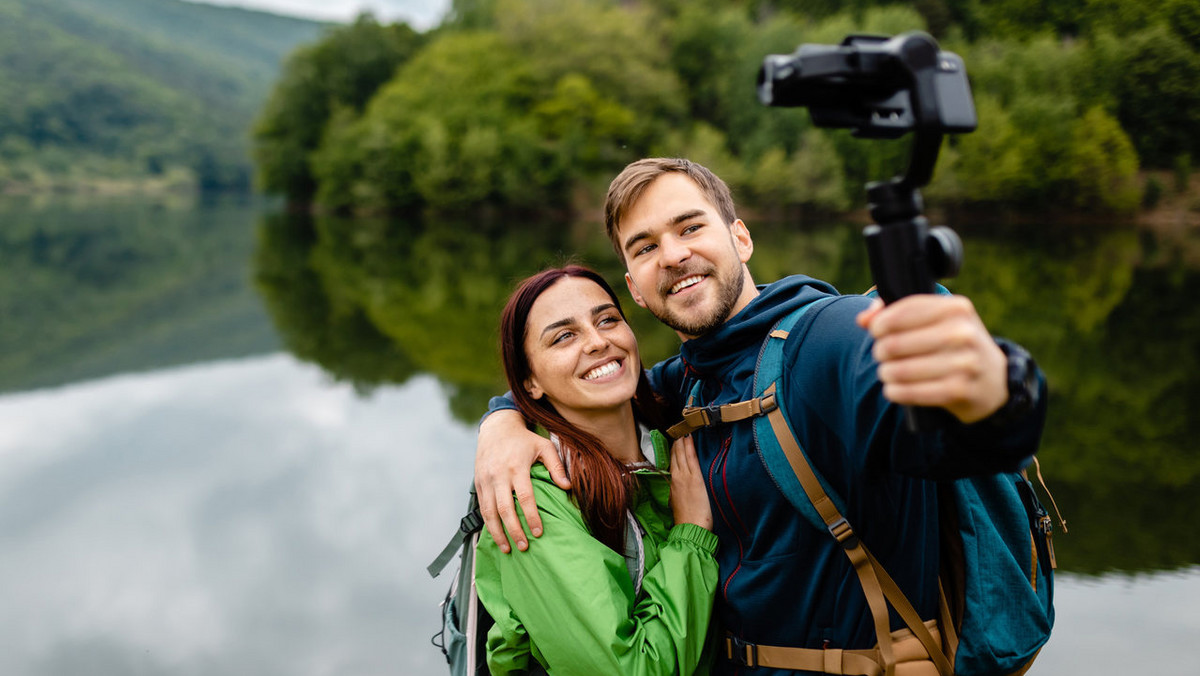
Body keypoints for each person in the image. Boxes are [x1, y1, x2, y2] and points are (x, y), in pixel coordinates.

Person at [475, 158, 1048, 675]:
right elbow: (578, 386)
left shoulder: (829, 338)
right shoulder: (681, 383)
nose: (673, 254)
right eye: (644, 247)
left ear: (740, 238)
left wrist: (993, 392)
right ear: (637, 290)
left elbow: (948, 423)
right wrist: (501, 423)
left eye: (690, 226)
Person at [474, 264, 720, 675]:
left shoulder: (677, 421)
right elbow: (627, 669)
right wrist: (691, 533)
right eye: (564, 336)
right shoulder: (534, 498)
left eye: (607, 319)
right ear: (530, 381)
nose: (598, 342)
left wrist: (500, 416)